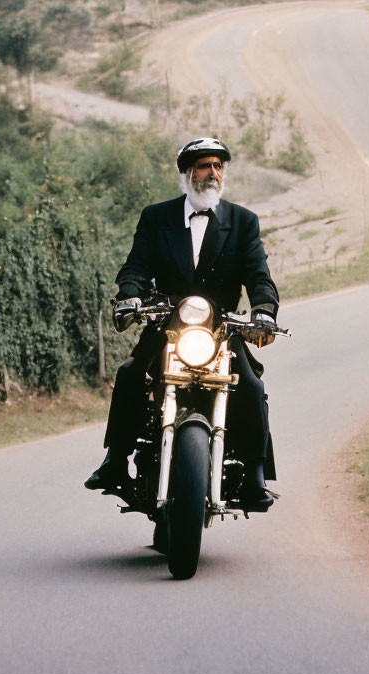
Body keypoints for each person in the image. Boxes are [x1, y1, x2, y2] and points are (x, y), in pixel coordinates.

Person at [84, 137, 280, 510]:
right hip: (167, 324)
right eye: (205, 166)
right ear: (188, 173)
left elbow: (259, 275)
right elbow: (137, 265)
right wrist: (130, 296)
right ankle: (114, 461)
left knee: (252, 387)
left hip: (222, 329)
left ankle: (255, 477)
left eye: (219, 166)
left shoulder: (242, 222)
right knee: (129, 375)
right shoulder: (157, 217)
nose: (213, 174)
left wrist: (264, 311)